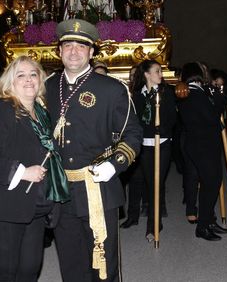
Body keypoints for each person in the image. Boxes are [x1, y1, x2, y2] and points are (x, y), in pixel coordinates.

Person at [45, 19, 142, 282]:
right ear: (59, 50)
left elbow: (133, 134)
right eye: (67, 45)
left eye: (81, 46)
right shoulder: (47, 87)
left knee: (103, 267)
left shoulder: (112, 89)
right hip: (60, 190)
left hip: (97, 188)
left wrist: (115, 165)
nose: (73, 51)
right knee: (70, 262)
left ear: (91, 52)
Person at [0, 56, 69, 281]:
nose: (29, 79)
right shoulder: (1, 109)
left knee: (30, 268)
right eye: (20, 75)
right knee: (6, 271)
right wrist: (22, 171)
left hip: (32, 203)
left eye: (33, 74)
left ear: (41, 80)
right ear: (10, 83)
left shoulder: (42, 113)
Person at [177, 62, 227, 241]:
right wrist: (219, 96)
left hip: (206, 144)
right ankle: (202, 226)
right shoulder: (190, 93)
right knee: (210, 183)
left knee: (214, 182)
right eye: (204, 72)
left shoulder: (199, 91)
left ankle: (209, 220)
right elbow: (213, 115)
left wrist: (217, 92)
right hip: (201, 145)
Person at [123, 59, 177, 241]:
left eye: (160, 71)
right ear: (147, 74)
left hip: (162, 144)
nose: (161, 75)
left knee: (157, 183)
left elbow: (172, 118)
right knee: (149, 182)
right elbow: (135, 121)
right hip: (145, 146)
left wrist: (161, 128)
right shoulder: (137, 96)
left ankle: (152, 226)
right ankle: (154, 221)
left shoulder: (167, 92)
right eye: (157, 71)